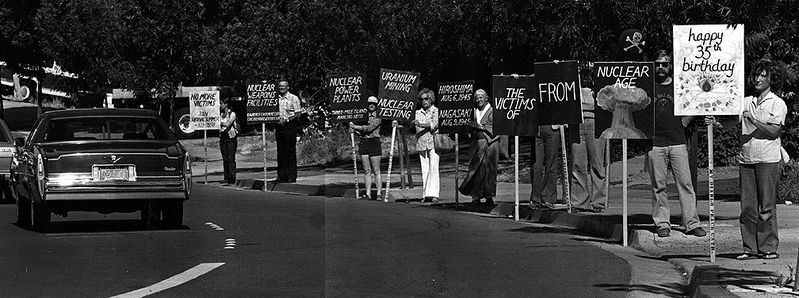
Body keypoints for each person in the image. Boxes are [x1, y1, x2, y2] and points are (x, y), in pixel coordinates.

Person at [709, 59, 787, 260]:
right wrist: (716, 123)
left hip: (768, 159)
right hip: (747, 159)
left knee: (767, 206)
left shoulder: (777, 103)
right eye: (756, 75)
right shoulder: (746, 101)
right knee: (748, 207)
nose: (758, 79)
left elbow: (774, 130)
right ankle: (750, 248)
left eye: (763, 75)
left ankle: (768, 247)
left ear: (771, 79)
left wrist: (753, 120)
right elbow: (730, 123)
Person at [648, 50, 705, 238]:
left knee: (685, 183)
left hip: (678, 141)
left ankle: (691, 223)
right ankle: (662, 222)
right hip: (655, 143)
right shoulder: (648, 86)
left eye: (665, 64)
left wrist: (685, 121)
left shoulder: (680, 86)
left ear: (670, 66)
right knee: (659, 185)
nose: (661, 67)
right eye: (658, 64)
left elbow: (696, 101)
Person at [570, 67, 608, 212]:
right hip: (576, 121)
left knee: (597, 163)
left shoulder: (598, 84)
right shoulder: (573, 83)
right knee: (578, 164)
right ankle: (579, 202)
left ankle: (598, 202)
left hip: (596, 122)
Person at [459, 89, 499, 206]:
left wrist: (480, 126)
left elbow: (496, 127)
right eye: (476, 98)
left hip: (490, 142)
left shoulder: (492, 110)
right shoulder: (474, 111)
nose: (479, 100)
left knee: (489, 169)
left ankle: (489, 196)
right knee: (475, 169)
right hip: (476, 143)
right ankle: (476, 195)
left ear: (486, 98)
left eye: (481, 97)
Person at [350, 96, 383, 200]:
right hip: (364, 141)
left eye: (373, 103)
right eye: (369, 103)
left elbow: (369, 128)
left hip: (374, 141)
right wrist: (353, 129)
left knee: (376, 170)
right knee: (366, 170)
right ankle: (368, 193)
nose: (371, 105)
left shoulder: (379, 116)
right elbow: (361, 131)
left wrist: (355, 127)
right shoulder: (362, 115)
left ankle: (378, 193)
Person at [413, 88, 440, 202]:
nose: (424, 101)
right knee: (424, 169)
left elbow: (434, 124)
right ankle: (426, 194)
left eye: (426, 99)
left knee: (434, 168)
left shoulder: (436, 111)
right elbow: (412, 125)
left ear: (431, 99)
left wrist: (420, 124)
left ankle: (434, 194)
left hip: (433, 142)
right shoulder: (417, 113)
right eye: (422, 99)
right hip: (421, 143)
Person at [276, 79, 302, 183]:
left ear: (288, 87)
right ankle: (281, 175)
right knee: (280, 152)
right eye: (280, 86)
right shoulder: (275, 98)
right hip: (279, 127)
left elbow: (298, 114)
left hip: (290, 126)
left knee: (290, 151)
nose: (281, 88)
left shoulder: (293, 98)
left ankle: (291, 176)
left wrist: (286, 120)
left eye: (284, 86)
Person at [529, 124, 561, 209]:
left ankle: (549, 198)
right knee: (536, 165)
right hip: (537, 126)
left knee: (551, 163)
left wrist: (561, 122)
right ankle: (536, 198)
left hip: (552, 126)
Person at [219, 98, 238, 185]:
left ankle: (232, 177)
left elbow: (228, 124)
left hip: (231, 137)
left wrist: (218, 122)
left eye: (221, 103)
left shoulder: (232, 114)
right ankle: (226, 177)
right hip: (223, 136)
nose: (220, 105)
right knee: (225, 157)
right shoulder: (221, 114)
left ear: (226, 104)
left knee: (231, 157)